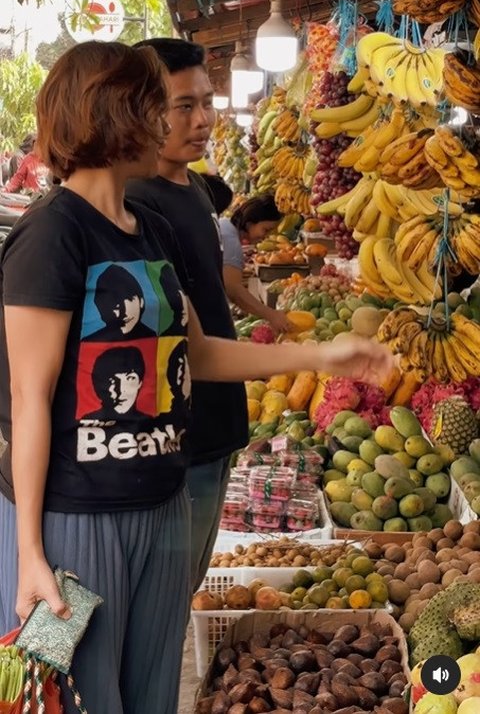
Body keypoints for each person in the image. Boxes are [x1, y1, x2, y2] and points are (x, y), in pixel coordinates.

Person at [0, 40, 393, 714]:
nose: (171, 120)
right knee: (81, 697)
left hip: (162, 502)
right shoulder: (52, 236)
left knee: (153, 693)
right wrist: (30, 552)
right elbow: (28, 401)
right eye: (157, 104)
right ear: (115, 112)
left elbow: (199, 354)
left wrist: (319, 356)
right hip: (80, 519)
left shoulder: (145, 226)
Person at [126, 38, 245, 592]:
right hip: (178, 440)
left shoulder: (195, 187)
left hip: (218, 426)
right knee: (169, 599)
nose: (203, 120)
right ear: (143, 107)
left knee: (188, 585)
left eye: (207, 101)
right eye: (183, 106)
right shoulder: (136, 204)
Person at [220, 194, 294, 334]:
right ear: (249, 224)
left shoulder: (225, 224)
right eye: (265, 230)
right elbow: (233, 290)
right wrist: (271, 314)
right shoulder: (231, 241)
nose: (265, 236)